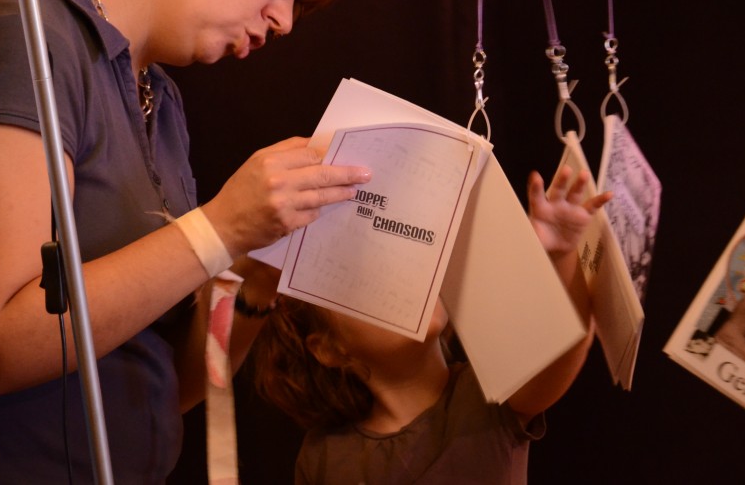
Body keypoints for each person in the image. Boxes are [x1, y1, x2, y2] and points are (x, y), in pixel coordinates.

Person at [0, 0, 364, 483]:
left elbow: (165, 388)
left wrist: (253, 278)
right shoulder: (32, 42)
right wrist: (220, 227)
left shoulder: (160, 97)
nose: (284, 18)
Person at [249, 168, 609, 485]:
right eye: (361, 279)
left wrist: (561, 254)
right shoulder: (323, 457)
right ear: (329, 348)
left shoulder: (489, 399)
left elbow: (563, 346)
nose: (400, 278)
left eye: (404, 262)